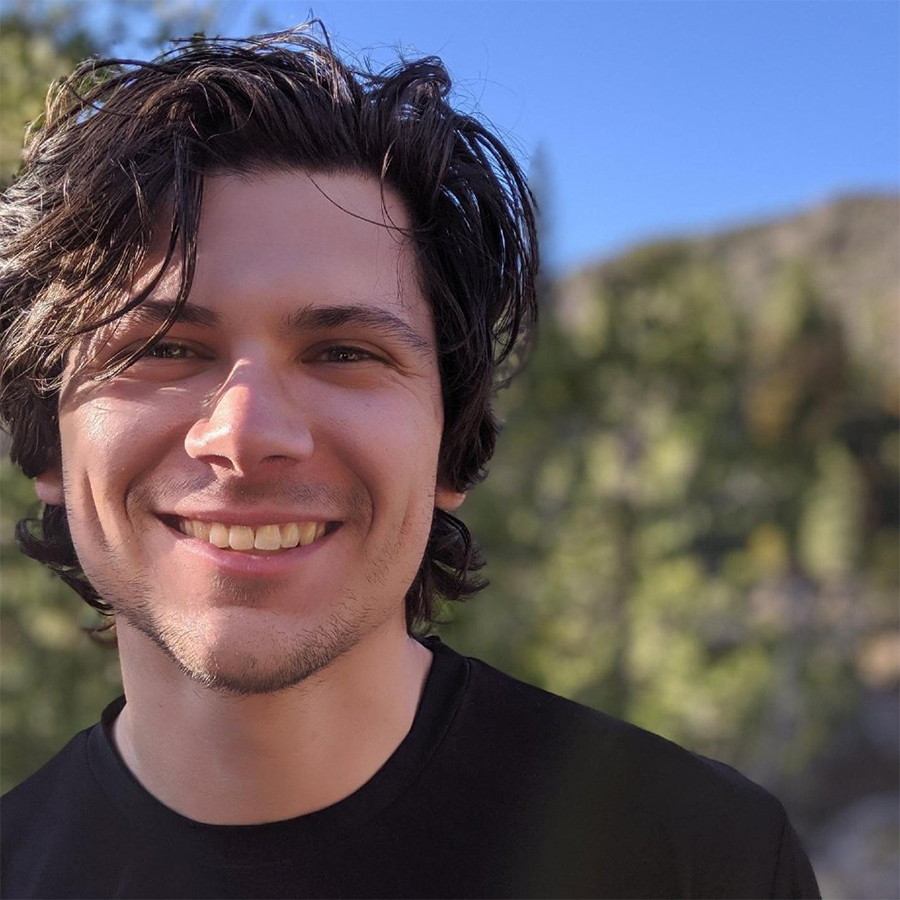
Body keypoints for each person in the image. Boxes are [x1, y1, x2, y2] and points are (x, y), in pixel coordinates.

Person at [0, 24, 819, 900]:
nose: (244, 433)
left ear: (450, 445)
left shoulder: (705, 861)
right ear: (46, 438)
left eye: (345, 353)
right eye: (163, 349)